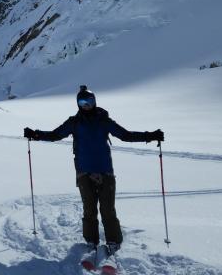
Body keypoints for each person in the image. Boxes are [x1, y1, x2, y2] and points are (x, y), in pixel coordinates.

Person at [22, 85, 163, 265]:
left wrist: (150, 135)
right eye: (82, 102)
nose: (86, 105)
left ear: (94, 101)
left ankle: (113, 243)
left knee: (107, 210)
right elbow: (56, 135)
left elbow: (125, 135)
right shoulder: (74, 122)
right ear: (78, 104)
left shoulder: (104, 121)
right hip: (84, 173)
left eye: (88, 101)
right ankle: (91, 243)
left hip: (105, 172)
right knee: (89, 210)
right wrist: (35, 134)